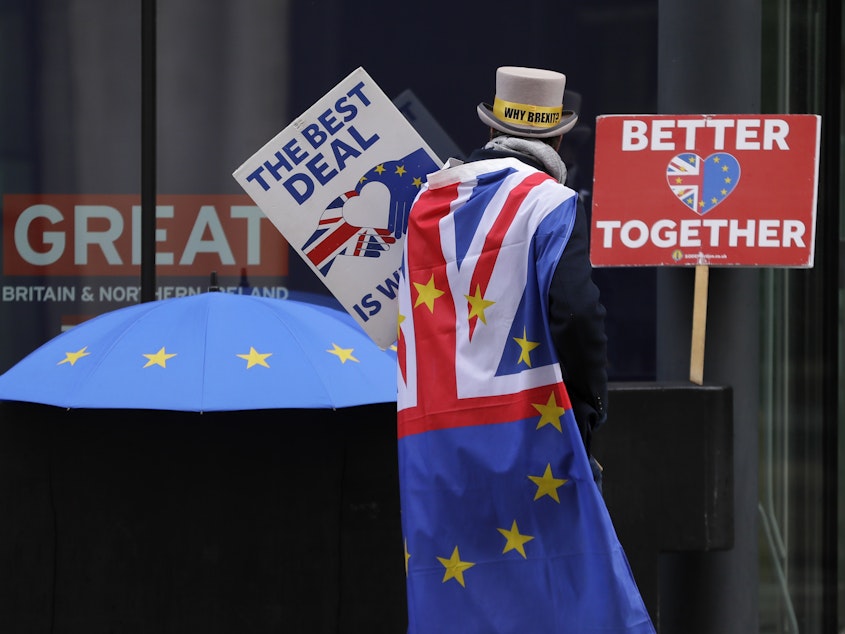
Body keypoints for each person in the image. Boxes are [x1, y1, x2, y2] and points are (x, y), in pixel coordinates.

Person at [395, 66, 655, 633]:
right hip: (529, 435)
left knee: (462, 604)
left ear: (489, 124)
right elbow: (579, 314)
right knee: (564, 598)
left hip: (432, 444)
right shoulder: (550, 203)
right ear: (560, 138)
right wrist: (585, 417)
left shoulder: (425, 207)